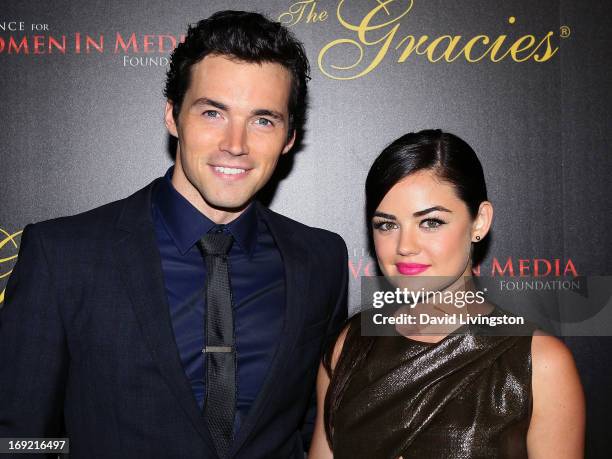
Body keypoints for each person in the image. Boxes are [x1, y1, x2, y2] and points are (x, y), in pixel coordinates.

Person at [0, 11, 347, 459]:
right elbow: (18, 437)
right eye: (212, 112)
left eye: (263, 120)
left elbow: (317, 424)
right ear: (172, 116)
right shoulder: (64, 254)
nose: (235, 143)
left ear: (288, 137)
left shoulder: (320, 258)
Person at [309, 130, 584, 458]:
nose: (405, 247)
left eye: (431, 222)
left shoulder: (539, 363)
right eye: (387, 225)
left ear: (479, 221)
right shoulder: (349, 346)